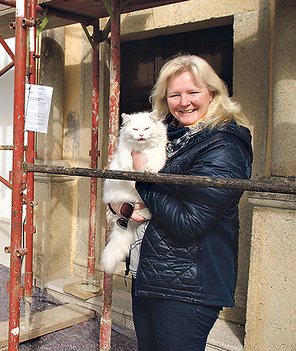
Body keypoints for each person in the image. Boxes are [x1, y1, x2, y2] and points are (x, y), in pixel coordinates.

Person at [113, 54, 253, 351]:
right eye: (174, 94)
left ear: (213, 94)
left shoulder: (224, 144)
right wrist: (123, 207)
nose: (183, 102)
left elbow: (189, 224)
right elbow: (138, 197)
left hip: (189, 287)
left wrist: (143, 177)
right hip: (150, 272)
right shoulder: (171, 136)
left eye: (193, 92)